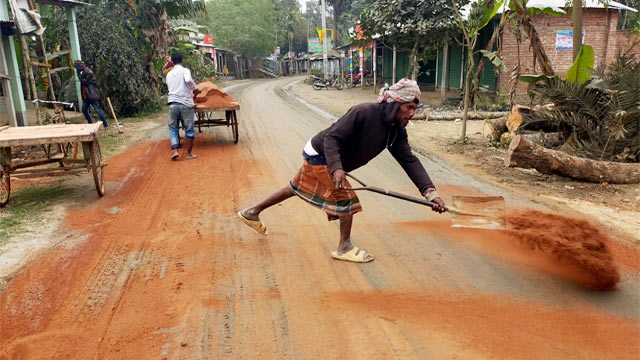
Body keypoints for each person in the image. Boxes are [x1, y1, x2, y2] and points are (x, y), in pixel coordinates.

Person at [238, 78, 446, 263]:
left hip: (327, 157)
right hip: (321, 153)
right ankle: (344, 247)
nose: (411, 114)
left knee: (296, 187)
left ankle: (251, 212)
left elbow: (409, 160)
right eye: (408, 107)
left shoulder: (396, 131)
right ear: (394, 103)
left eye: (414, 109)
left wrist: (430, 193)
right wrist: (337, 168)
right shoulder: (363, 112)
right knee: (346, 198)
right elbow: (332, 138)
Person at [166, 52, 201, 160]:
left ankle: (175, 151)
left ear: (172, 61)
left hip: (172, 104)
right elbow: (188, 80)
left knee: (173, 128)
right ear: (182, 60)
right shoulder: (185, 70)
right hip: (185, 104)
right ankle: (189, 154)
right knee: (189, 129)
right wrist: (195, 89)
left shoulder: (169, 74)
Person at [73, 60, 109, 130]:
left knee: (98, 110)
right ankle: (90, 124)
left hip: (92, 95)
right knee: (84, 110)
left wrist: (79, 75)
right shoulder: (83, 72)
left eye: (77, 68)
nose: (77, 69)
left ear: (80, 67)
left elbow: (85, 82)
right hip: (86, 97)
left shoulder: (89, 72)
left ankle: (106, 125)